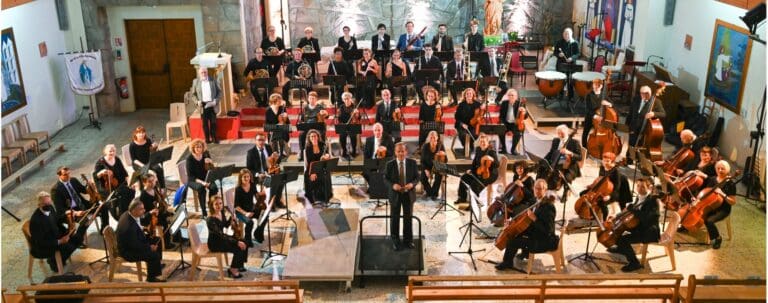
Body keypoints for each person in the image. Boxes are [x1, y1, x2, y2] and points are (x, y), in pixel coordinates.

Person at [495, 179, 558, 270]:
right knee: (515, 233)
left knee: (513, 242)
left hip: (545, 241)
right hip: (537, 234)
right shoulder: (536, 201)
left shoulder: (549, 206)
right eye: (536, 188)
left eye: (540, 189)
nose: (537, 191)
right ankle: (520, 255)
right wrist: (512, 223)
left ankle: (507, 262)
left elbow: (548, 230)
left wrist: (535, 219)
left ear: (545, 190)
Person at [606, 176, 660, 272]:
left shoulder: (653, 201)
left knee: (623, 239)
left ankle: (634, 263)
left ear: (649, 188)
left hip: (649, 231)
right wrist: (616, 217)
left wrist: (634, 210)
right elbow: (630, 212)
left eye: (642, 187)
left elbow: (647, 219)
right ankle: (621, 249)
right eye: (638, 186)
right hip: (639, 226)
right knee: (617, 231)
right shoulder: (640, 197)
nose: (639, 189)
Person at [682, 160, 737, 249]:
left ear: (727, 170)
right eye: (718, 168)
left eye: (722, 169)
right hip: (709, 205)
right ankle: (686, 226)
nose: (720, 170)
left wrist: (723, 194)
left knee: (709, 220)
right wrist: (696, 198)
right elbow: (704, 192)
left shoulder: (730, 184)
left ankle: (717, 238)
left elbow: (733, 202)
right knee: (692, 210)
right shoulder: (713, 179)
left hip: (723, 209)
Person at [30, 191, 87, 272]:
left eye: (49, 202)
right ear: (39, 205)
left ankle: (60, 258)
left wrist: (70, 215)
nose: (48, 205)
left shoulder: (50, 208)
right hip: (45, 245)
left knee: (78, 239)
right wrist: (59, 241)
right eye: (45, 204)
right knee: (69, 246)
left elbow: (57, 220)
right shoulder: (36, 221)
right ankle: (53, 262)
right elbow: (40, 242)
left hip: (55, 235)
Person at [116, 199, 165, 282]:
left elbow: (140, 220)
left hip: (134, 241)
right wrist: (149, 247)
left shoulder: (129, 214)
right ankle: (151, 278)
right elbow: (135, 245)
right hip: (129, 251)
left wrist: (149, 213)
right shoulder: (129, 227)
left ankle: (156, 265)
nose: (144, 210)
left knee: (157, 240)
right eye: (141, 209)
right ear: (134, 210)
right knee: (153, 255)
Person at [384, 142, 420, 250]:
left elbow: (417, 178)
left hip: (408, 195)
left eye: (403, 151)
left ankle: (408, 240)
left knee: (408, 218)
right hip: (395, 195)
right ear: (395, 152)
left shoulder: (412, 163)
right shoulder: (389, 164)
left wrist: (412, 184)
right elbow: (385, 178)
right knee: (394, 219)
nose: (401, 153)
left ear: (406, 152)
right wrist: (392, 185)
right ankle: (395, 240)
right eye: (398, 151)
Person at [206, 195, 248, 278]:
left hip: (222, 239)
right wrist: (236, 242)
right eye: (216, 204)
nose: (219, 206)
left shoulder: (221, 213)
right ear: (212, 205)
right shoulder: (210, 220)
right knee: (238, 247)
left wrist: (231, 219)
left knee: (244, 241)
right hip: (215, 243)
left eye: (220, 203)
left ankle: (239, 264)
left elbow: (224, 225)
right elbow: (220, 235)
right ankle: (233, 270)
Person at [580, 152, 630, 220]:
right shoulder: (602, 168)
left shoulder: (616, 172)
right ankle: (591, 214)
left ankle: (604, 221)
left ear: (612, 161)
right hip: (603, 189)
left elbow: (617, 187)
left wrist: (609, 196)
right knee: (583, 193)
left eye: (607, 161)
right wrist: (592, 185)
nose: (604, 162)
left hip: (614, 192)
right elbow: (599, 179)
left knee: (602, 203)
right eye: (603, 160)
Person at [455, 133, 498, 205]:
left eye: (484, 141)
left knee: (475, 184)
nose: (482, 143)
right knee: (463, 178)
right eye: (481, 142)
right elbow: (474, 162)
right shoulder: (478, 149)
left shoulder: (491, 152)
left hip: (490, 174)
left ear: (487, 142)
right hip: (479, 171)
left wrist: (492, 159)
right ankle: (462, 198)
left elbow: (497, 165)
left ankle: (475, 203)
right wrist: (471, 170)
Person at [246, 133, 286, 209]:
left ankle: (277, 200)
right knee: (274, 180)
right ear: (255, 141)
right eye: (259, 140)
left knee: (281, 178)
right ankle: (271, 203)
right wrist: (258, 174)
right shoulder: (251, 152)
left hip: (270, 172)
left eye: (263, 140)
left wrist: (277, 157)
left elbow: (276, 162)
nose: (261, 142)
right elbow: (249, 169)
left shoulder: (268, 147)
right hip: (259, 176)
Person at [138, 172, 175, 250]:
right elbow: (142, 213)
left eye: (153, 181)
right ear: (144, 183)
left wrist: (162, 198)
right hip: (150, 217)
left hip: (158, 212)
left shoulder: (154, 189)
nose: (152, 183)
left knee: (173, 215)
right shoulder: (143, 195)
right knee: (165, 222)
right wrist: (153, 212)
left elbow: (159, 202)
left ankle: (176, 237)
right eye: (149, 182)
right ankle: (166, 243)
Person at [185, 139, 218, 217]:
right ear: (193, 148)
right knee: (201, 188)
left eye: (200, 147)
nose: (199, 149)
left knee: (214, 188)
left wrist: (211, 162)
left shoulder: (206, 154)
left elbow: (211, 169)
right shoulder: (189, 158)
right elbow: (191, 176)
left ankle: (211, 206)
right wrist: (203, 183)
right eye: (196, 147)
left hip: (206, 177)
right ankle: (204, 211)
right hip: (194, 180)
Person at [541, 124, 582, 189]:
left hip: (570, 166)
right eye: (558, 133)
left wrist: (570, 153)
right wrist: (543, 160)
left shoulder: (574, 142)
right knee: (542, 171)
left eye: (562, 133)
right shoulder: (555, 140)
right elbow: (551, 152)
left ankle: (565, 195)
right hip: (555, 164)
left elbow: (580, 157)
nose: (560, 135)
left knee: (567, 178)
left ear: (567, 132)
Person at [234, 169, 267, 245]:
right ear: (240, 178)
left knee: (264, 216)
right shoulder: (238, 189)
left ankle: (257, 233)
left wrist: (261, 196)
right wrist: (246, 213)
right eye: (244, 177)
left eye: (248, 177)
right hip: (241, 211)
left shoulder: (252, 185)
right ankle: (247, 240)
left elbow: (256, 196)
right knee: (250, 223)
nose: (246, 179)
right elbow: (236, 206)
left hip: (251, 208)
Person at [192, 67, 221, 144]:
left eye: (205, 72)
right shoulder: (195, 82)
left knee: (213, 123)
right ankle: (207, 139)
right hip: (202, 105)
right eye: (202, 72)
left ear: (207, 72)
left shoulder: (213, 80)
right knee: (205, 124)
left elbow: (219, 92)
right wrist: (197, 101)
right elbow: (193, 95)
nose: (204, 74)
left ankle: (214, 138)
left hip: (212, 104)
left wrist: (215, 101)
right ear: (199, 73)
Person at [304, 130, 333, 205]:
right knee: (309, 176)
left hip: (321, 167)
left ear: (318, 137)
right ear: (309, 138)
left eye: (315, 136)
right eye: (312, 136)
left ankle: (325, 196)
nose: (314, 138)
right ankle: (313, 197)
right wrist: (312, 172)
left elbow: (328, 155)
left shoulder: (322, 145)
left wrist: (327, 156)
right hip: (312, 167)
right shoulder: (308, 148)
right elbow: (309, 162)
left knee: (326, 173)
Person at [582, 79, 614, 146]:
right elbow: (587, 109)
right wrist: (595, 116)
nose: (596, 87)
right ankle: (584, 147)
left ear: (601, 86)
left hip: (600, 119)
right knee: (585, 133)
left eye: (598, 85)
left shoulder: (604, 95)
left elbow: (612, 104)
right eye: (594, 85)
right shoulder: (589, 95)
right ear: (593, 85)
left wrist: (608, 103)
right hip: (590, 117)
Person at [298, 91, 326, 161]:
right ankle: (302, 153)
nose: (311, 100)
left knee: (320, 134)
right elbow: (302, 119)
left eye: (313, 98)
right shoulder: (305, 108)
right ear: (308, 99)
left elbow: (326, 116)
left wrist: (325, 113)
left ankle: (321, 153)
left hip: (318, 127)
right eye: (310, 98)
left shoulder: (320, 107)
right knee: (301, 135)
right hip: (307, 127)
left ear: (316, 99)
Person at [498, 89, 527, 155]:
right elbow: (501, 116)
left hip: (515, 124)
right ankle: (504, 148)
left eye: (512, 95)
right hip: (506, 123)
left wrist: (524, 111)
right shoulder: (504, 103)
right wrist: (502, 123)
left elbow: (525, 117)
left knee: (518, 133)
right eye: (509, 95)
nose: (511, 97)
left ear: (516, 97)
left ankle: (513, 149)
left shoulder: (520, 104)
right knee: (500, 130)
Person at [553, 28, 580, 100]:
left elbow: (577, 54)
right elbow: (555, 52)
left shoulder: (575, 43)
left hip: (571, 65)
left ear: (571, 34)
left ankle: (571, 97)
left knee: (570, 80)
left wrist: (572, 58)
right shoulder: (559, 42)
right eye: (565, 34)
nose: (566, 35)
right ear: (563, 34)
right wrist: (559, 54)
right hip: (561, 64)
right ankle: (560, 95)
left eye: (568, 34)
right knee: (560, 80)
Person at [454, 88, 483, 152]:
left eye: (470, 93)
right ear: (465, 95)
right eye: (467, 94)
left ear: (473, 95)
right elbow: (457, 117)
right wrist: (462, 124)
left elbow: (480, 115)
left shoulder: (477, 104)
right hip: (462, 124)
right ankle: (467, 147)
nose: (469, 95)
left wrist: (480, 116)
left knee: (475, 134)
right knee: (463, 135)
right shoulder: (461, 105)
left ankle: (470, 147)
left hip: (473, 125)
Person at [420, 131, 444, 201]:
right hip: (427, 166)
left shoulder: (440, 146)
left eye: (434, 137)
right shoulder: (425, 146)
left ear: (437, 138)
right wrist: (426, 170)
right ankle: (430, 192)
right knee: (422, 178)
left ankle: (434, 193)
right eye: (431, 137)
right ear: (429, 138)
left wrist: (442, 155)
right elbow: (422, 161)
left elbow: (446, 160)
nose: (433, 139)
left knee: (439, 176)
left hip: (437, 167)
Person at [265, 94, 289, 158]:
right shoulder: (268, 110)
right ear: (274, 101)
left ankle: (281, 153)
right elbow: (267, 123)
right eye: (279, 101)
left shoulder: (282, 108)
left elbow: (287, 122)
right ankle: (274, 153)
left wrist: (285, 117)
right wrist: (271, 128)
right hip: (272, 129)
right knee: (274, 137)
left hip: (281, 129)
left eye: (280, 100)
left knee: (282, 134)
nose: (280, 102)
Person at [337, 92, 360, 159]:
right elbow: (339, 118)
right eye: (345, 99)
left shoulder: (354, 107)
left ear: (351, 99)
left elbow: (359, 118)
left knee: (353, 136)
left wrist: (357, 113)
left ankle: (354, 151)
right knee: (342, 136)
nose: (346, 100)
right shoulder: (341, 107)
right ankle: (344, 150)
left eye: (348, 98)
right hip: (344, 125)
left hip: (353, 125)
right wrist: (342, 123)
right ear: (343, 100)